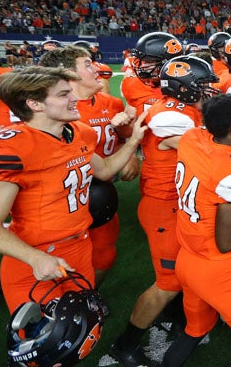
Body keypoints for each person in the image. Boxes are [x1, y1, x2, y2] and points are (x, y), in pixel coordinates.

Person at [0, 66, 147, 313]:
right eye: (63, 95)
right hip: (34, 255)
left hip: (80, 245)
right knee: (44, 340)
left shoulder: (78, 132)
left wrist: (134, 142)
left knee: (82, 326)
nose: (74, 98)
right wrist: (34, 258)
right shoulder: (11, 149)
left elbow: (104, 169)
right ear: (35, 104)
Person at [111, 55, 219, 366]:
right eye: (202, 86)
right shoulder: (173, 117)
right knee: (168, 281)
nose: (207, 91)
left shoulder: (175, 107)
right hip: (164, 207)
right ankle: (125, 344)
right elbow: (205, 149)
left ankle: (173, 313)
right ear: (185, 89)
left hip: (171, 204)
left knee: (181, 272)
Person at [162, 93, 231, 367]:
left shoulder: (192, 140)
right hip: (216, 267)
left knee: (195, 328)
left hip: (186, 257)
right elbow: (228, 240)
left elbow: (205, 130)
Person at [39, 46, 139, 286]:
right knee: (58, 264)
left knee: (104, 255)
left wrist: (129, 150)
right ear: (67, 74)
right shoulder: (49, 114)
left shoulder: (111, 102)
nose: (96, 68)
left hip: (99, 190)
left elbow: (122, 138)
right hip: (61, 198)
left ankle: (87, 296)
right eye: (87, 64)